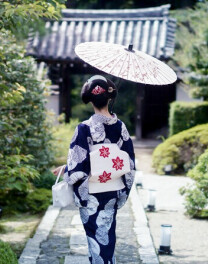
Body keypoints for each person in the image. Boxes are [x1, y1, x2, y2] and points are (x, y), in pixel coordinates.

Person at [52, 75, 136, 264]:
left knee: (95, 241)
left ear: (90, 100)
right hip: (112, 192)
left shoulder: (84, 128)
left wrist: (68, 170)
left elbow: (79, 166)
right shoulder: (121, 127)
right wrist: (123, 192)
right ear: (109, 98)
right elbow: (129, 165)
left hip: (92, 195)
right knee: (106, 238)